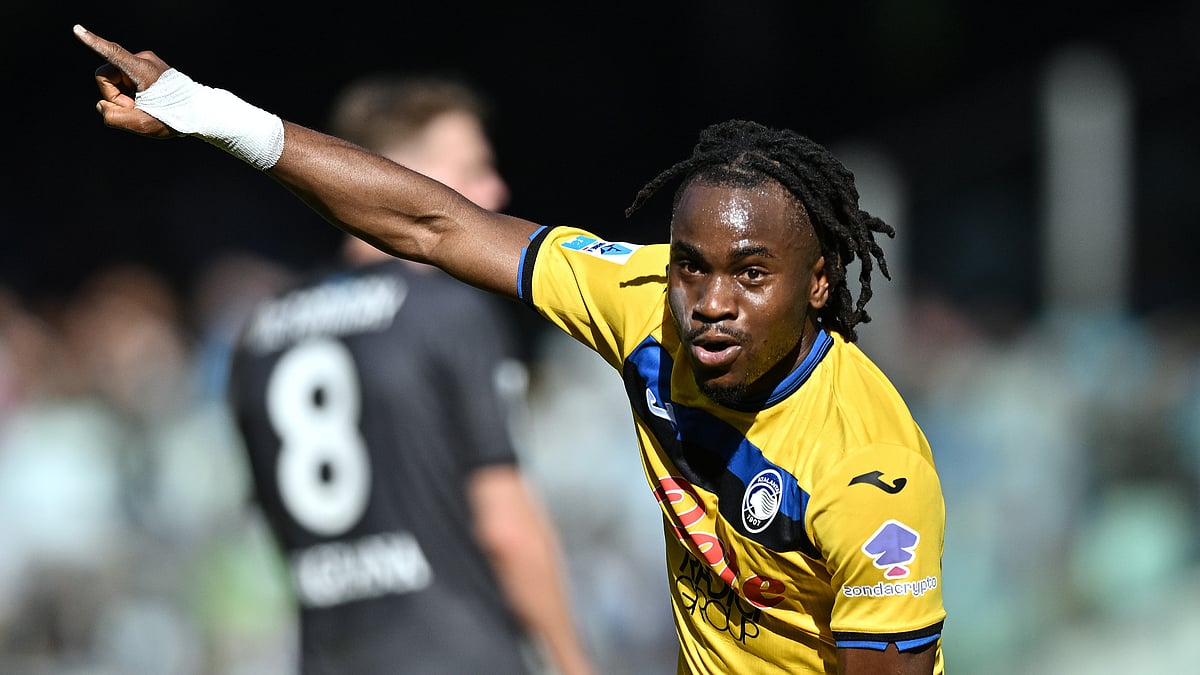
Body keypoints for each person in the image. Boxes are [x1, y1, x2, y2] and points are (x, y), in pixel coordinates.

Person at [74, 24, 948, 675]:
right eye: (693, 268)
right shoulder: (642, 299)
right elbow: (435, 222)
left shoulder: (868, 471)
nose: (712, 303)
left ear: (820, 285)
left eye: (752, 275)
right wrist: (203, 110)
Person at [224, 74, 595, 675]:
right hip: (457, 652)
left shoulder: (260, 334)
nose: (495, 191)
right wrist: (573, 662)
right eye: (471, 171)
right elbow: (506, 526)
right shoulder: (446, 311)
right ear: (397, 181)